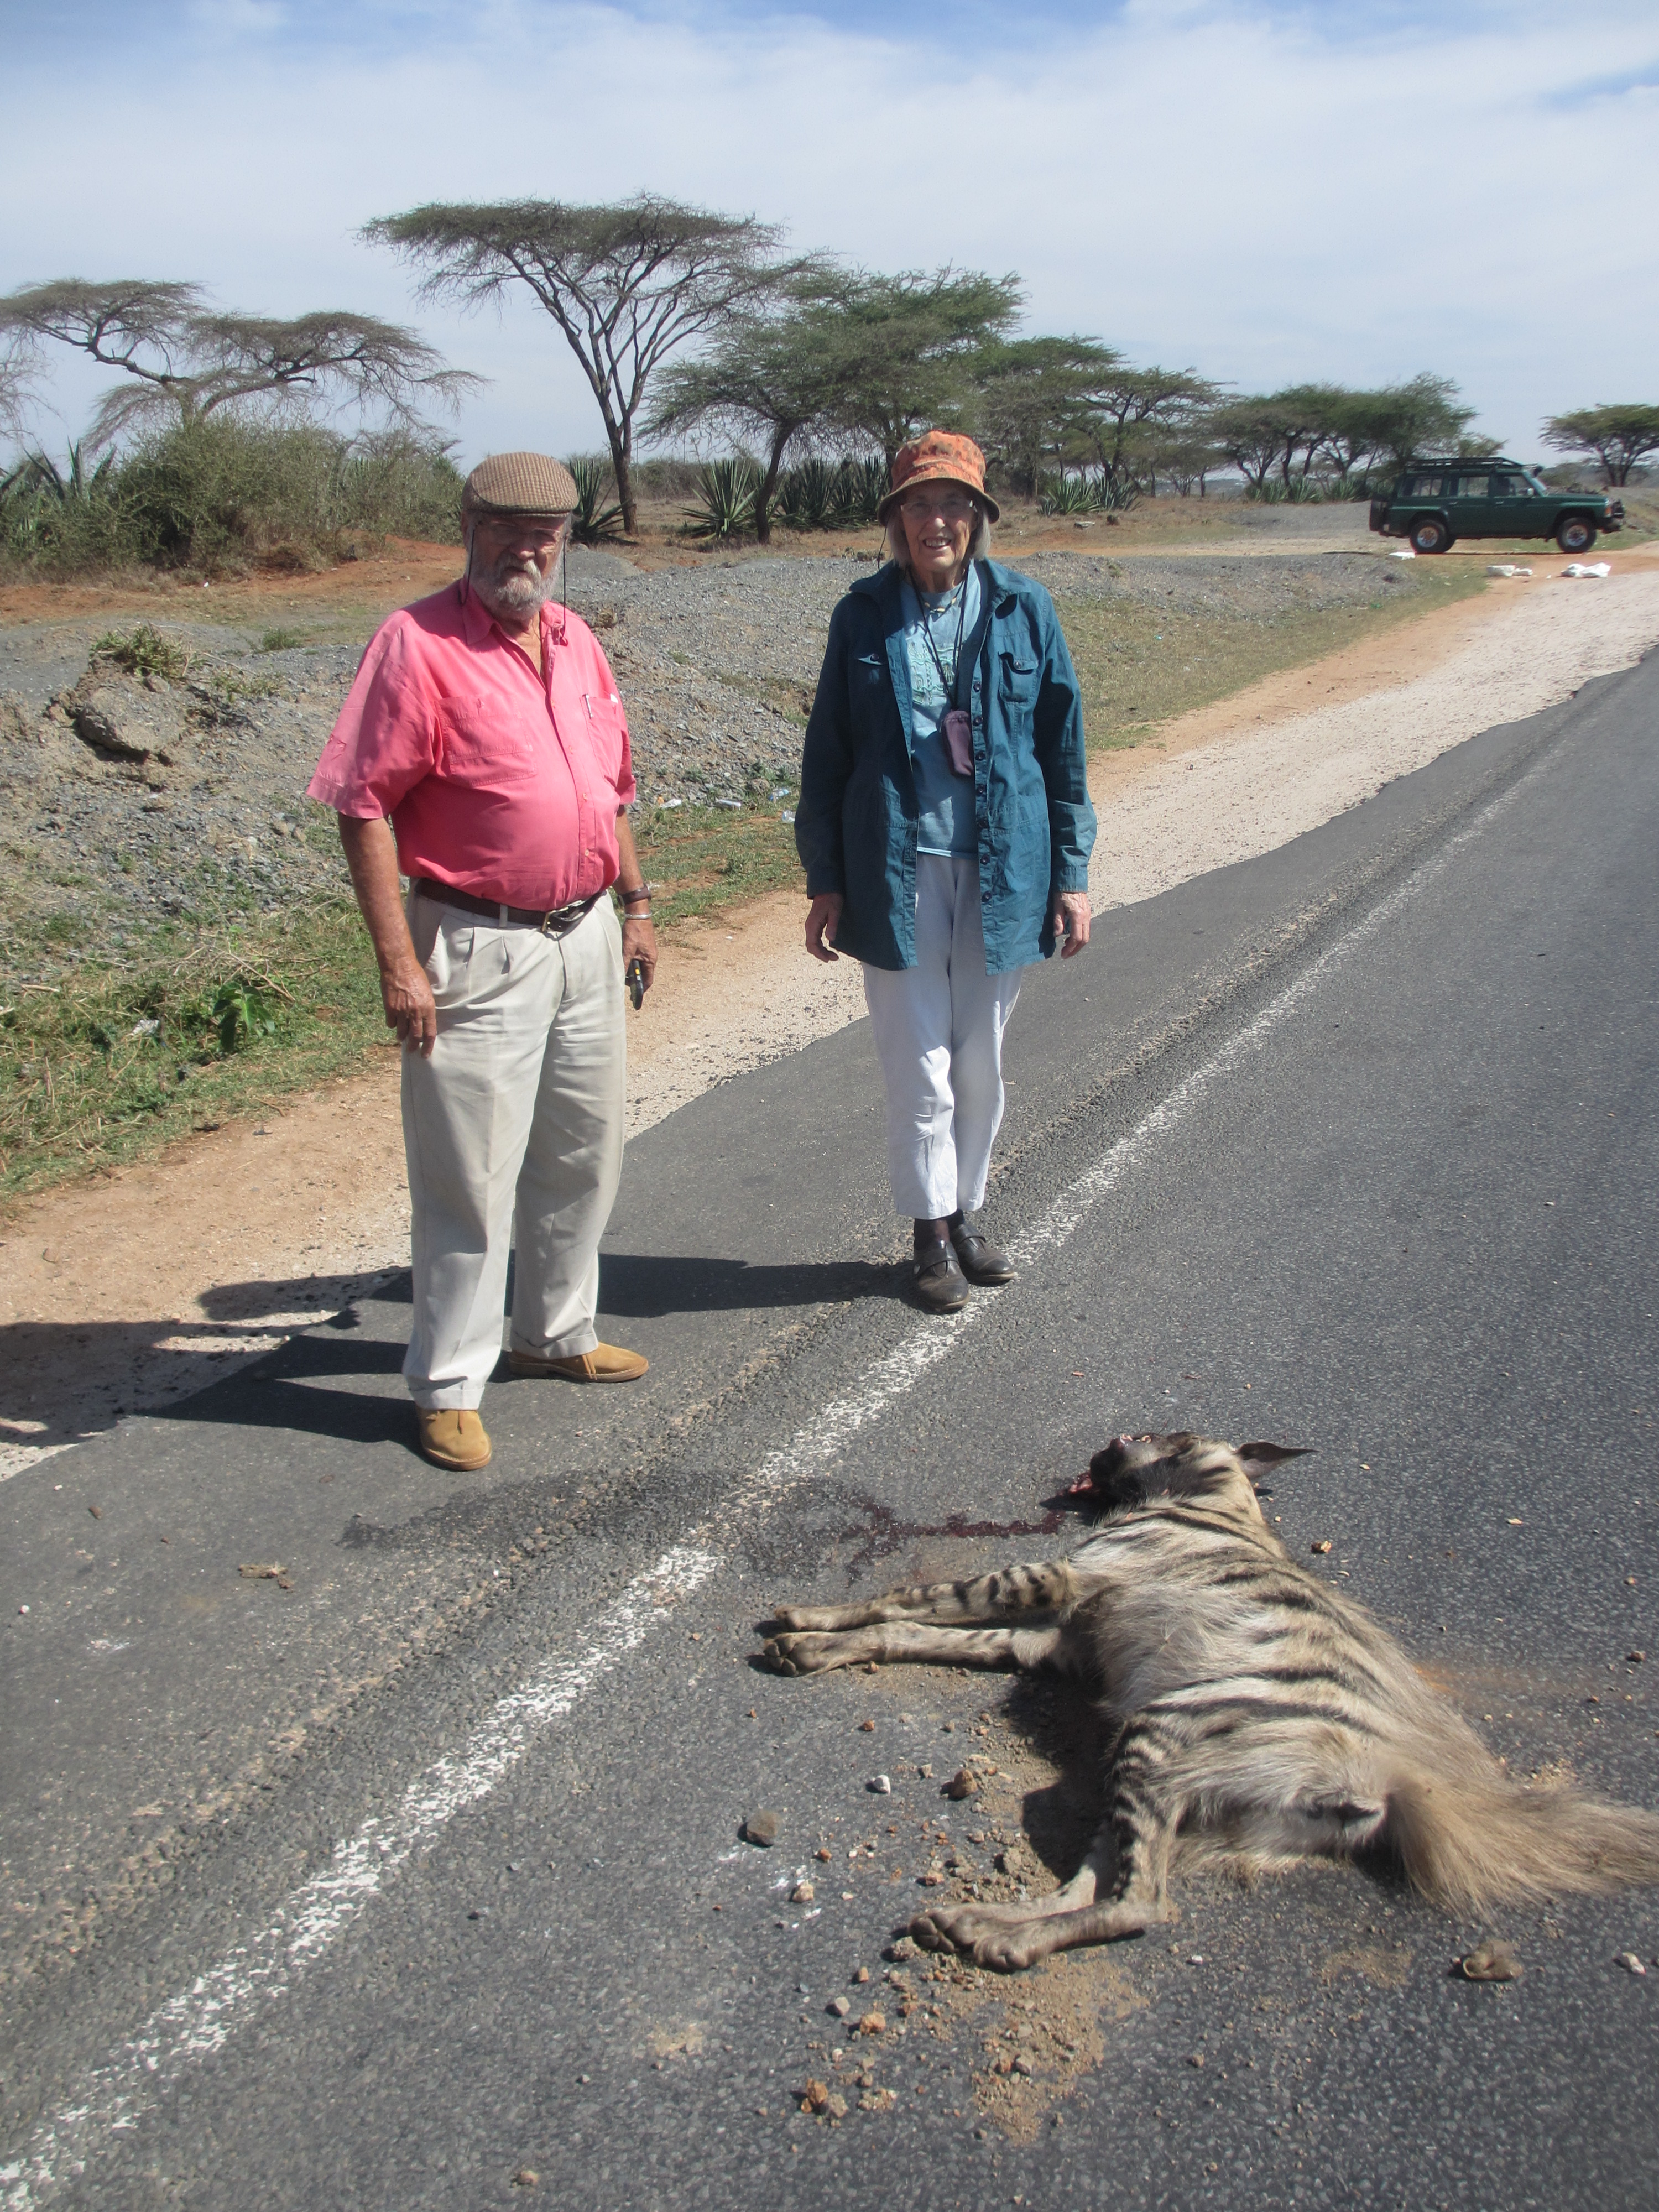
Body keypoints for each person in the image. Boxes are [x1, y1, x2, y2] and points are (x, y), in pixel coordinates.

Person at [307, 451, 656, 1473]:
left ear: (565, 542)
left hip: (586, 933)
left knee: (584, 1150)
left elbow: (612, 790)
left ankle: (554, 1334)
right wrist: (398, 965)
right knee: (469, 1174)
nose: (525, 547)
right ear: (468, 525)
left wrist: (635, 905)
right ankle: (450, 1380)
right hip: (472, 939)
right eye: (504, 526)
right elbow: (362, 805)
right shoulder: (416, 643)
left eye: (544, 531)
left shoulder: (578, 640)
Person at [795, 430, 1095, 1312]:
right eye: (920, 505)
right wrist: (825, 876)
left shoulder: (1024, 609)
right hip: (898, 871)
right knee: (917, 1064)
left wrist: (1071, 874)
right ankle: (927, 1237)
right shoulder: (861, 616)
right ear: (895, 520)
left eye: (955, 504)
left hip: (1009, 870)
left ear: (979, 518)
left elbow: (1062, 747)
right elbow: (829, 754)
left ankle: (966, 1212)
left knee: (980, 1063)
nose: (938, 521)